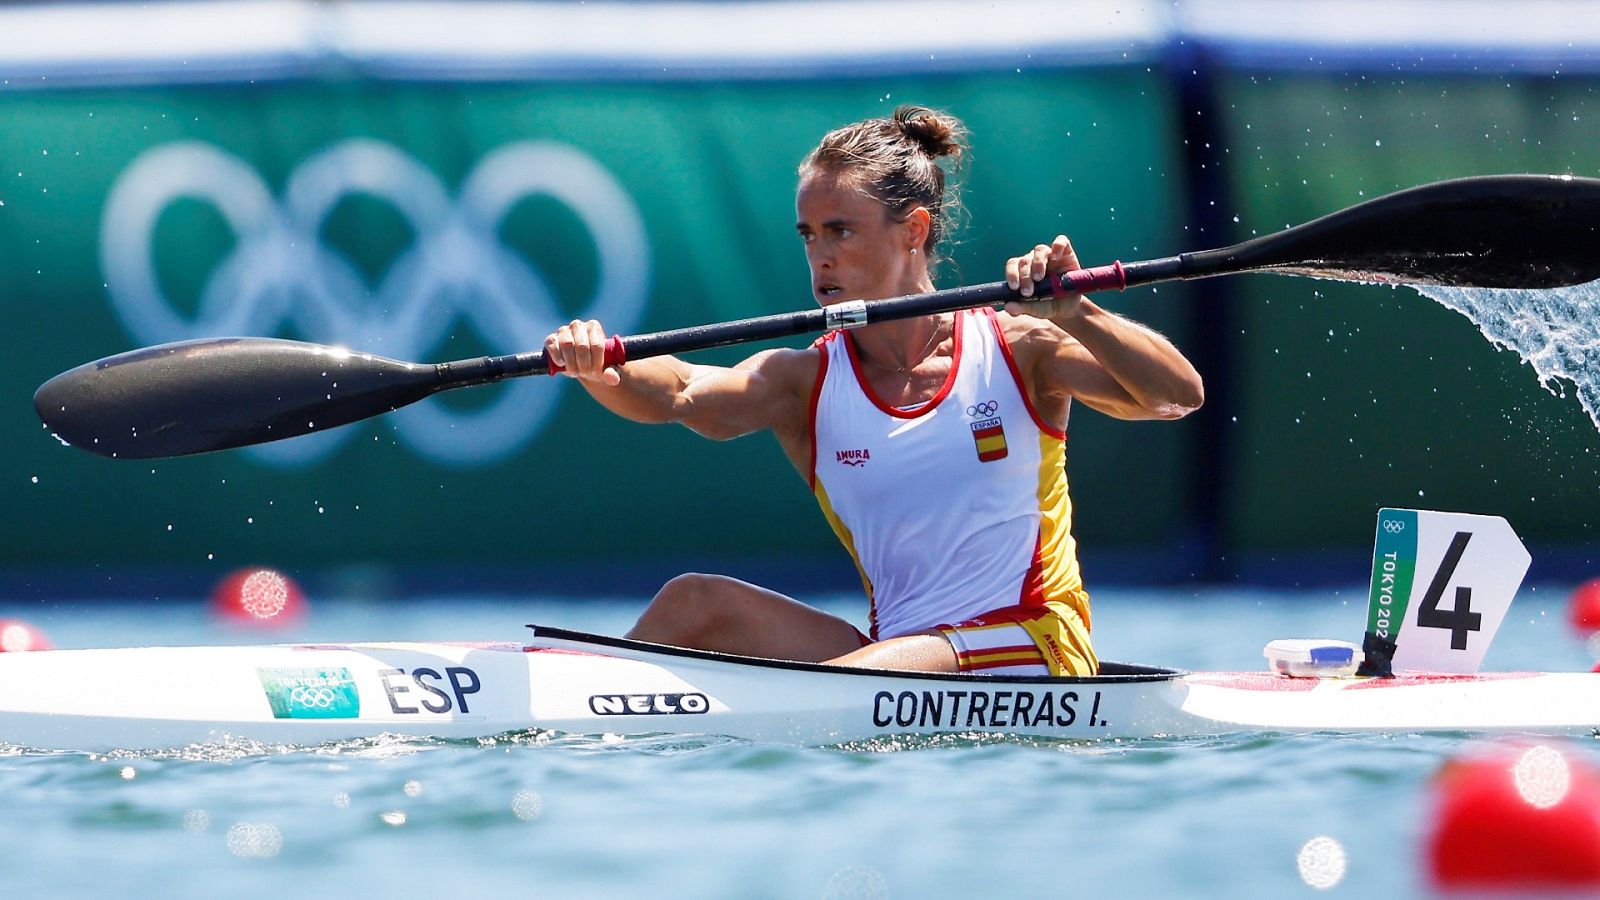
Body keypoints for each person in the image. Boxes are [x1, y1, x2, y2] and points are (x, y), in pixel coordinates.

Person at [543, 105, 1203, 676]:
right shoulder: (803, 381)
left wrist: (1079, 312)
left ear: (913, 232)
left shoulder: (1019, 349)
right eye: (809, 235)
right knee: (693, 603)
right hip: (898, 658)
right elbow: (679, 391)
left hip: (1037, 644)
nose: (820, 257)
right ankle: (578, 721)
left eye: (840, 231)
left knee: (870, 672)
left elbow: (1176, 395)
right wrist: (604, 366)